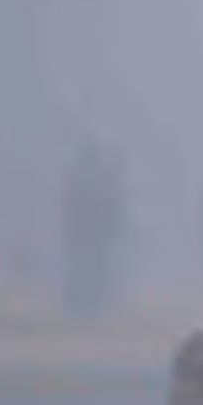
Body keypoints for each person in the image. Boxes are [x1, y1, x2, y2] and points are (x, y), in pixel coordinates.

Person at [61, 137, 127, 321]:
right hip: (93, 237)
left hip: (89, 237)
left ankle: (85, 306)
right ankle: (87, 306)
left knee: (87, 271)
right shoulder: (97, 180)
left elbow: (70, 208)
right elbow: (110, 206)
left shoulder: (80, 179)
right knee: (91, 271)